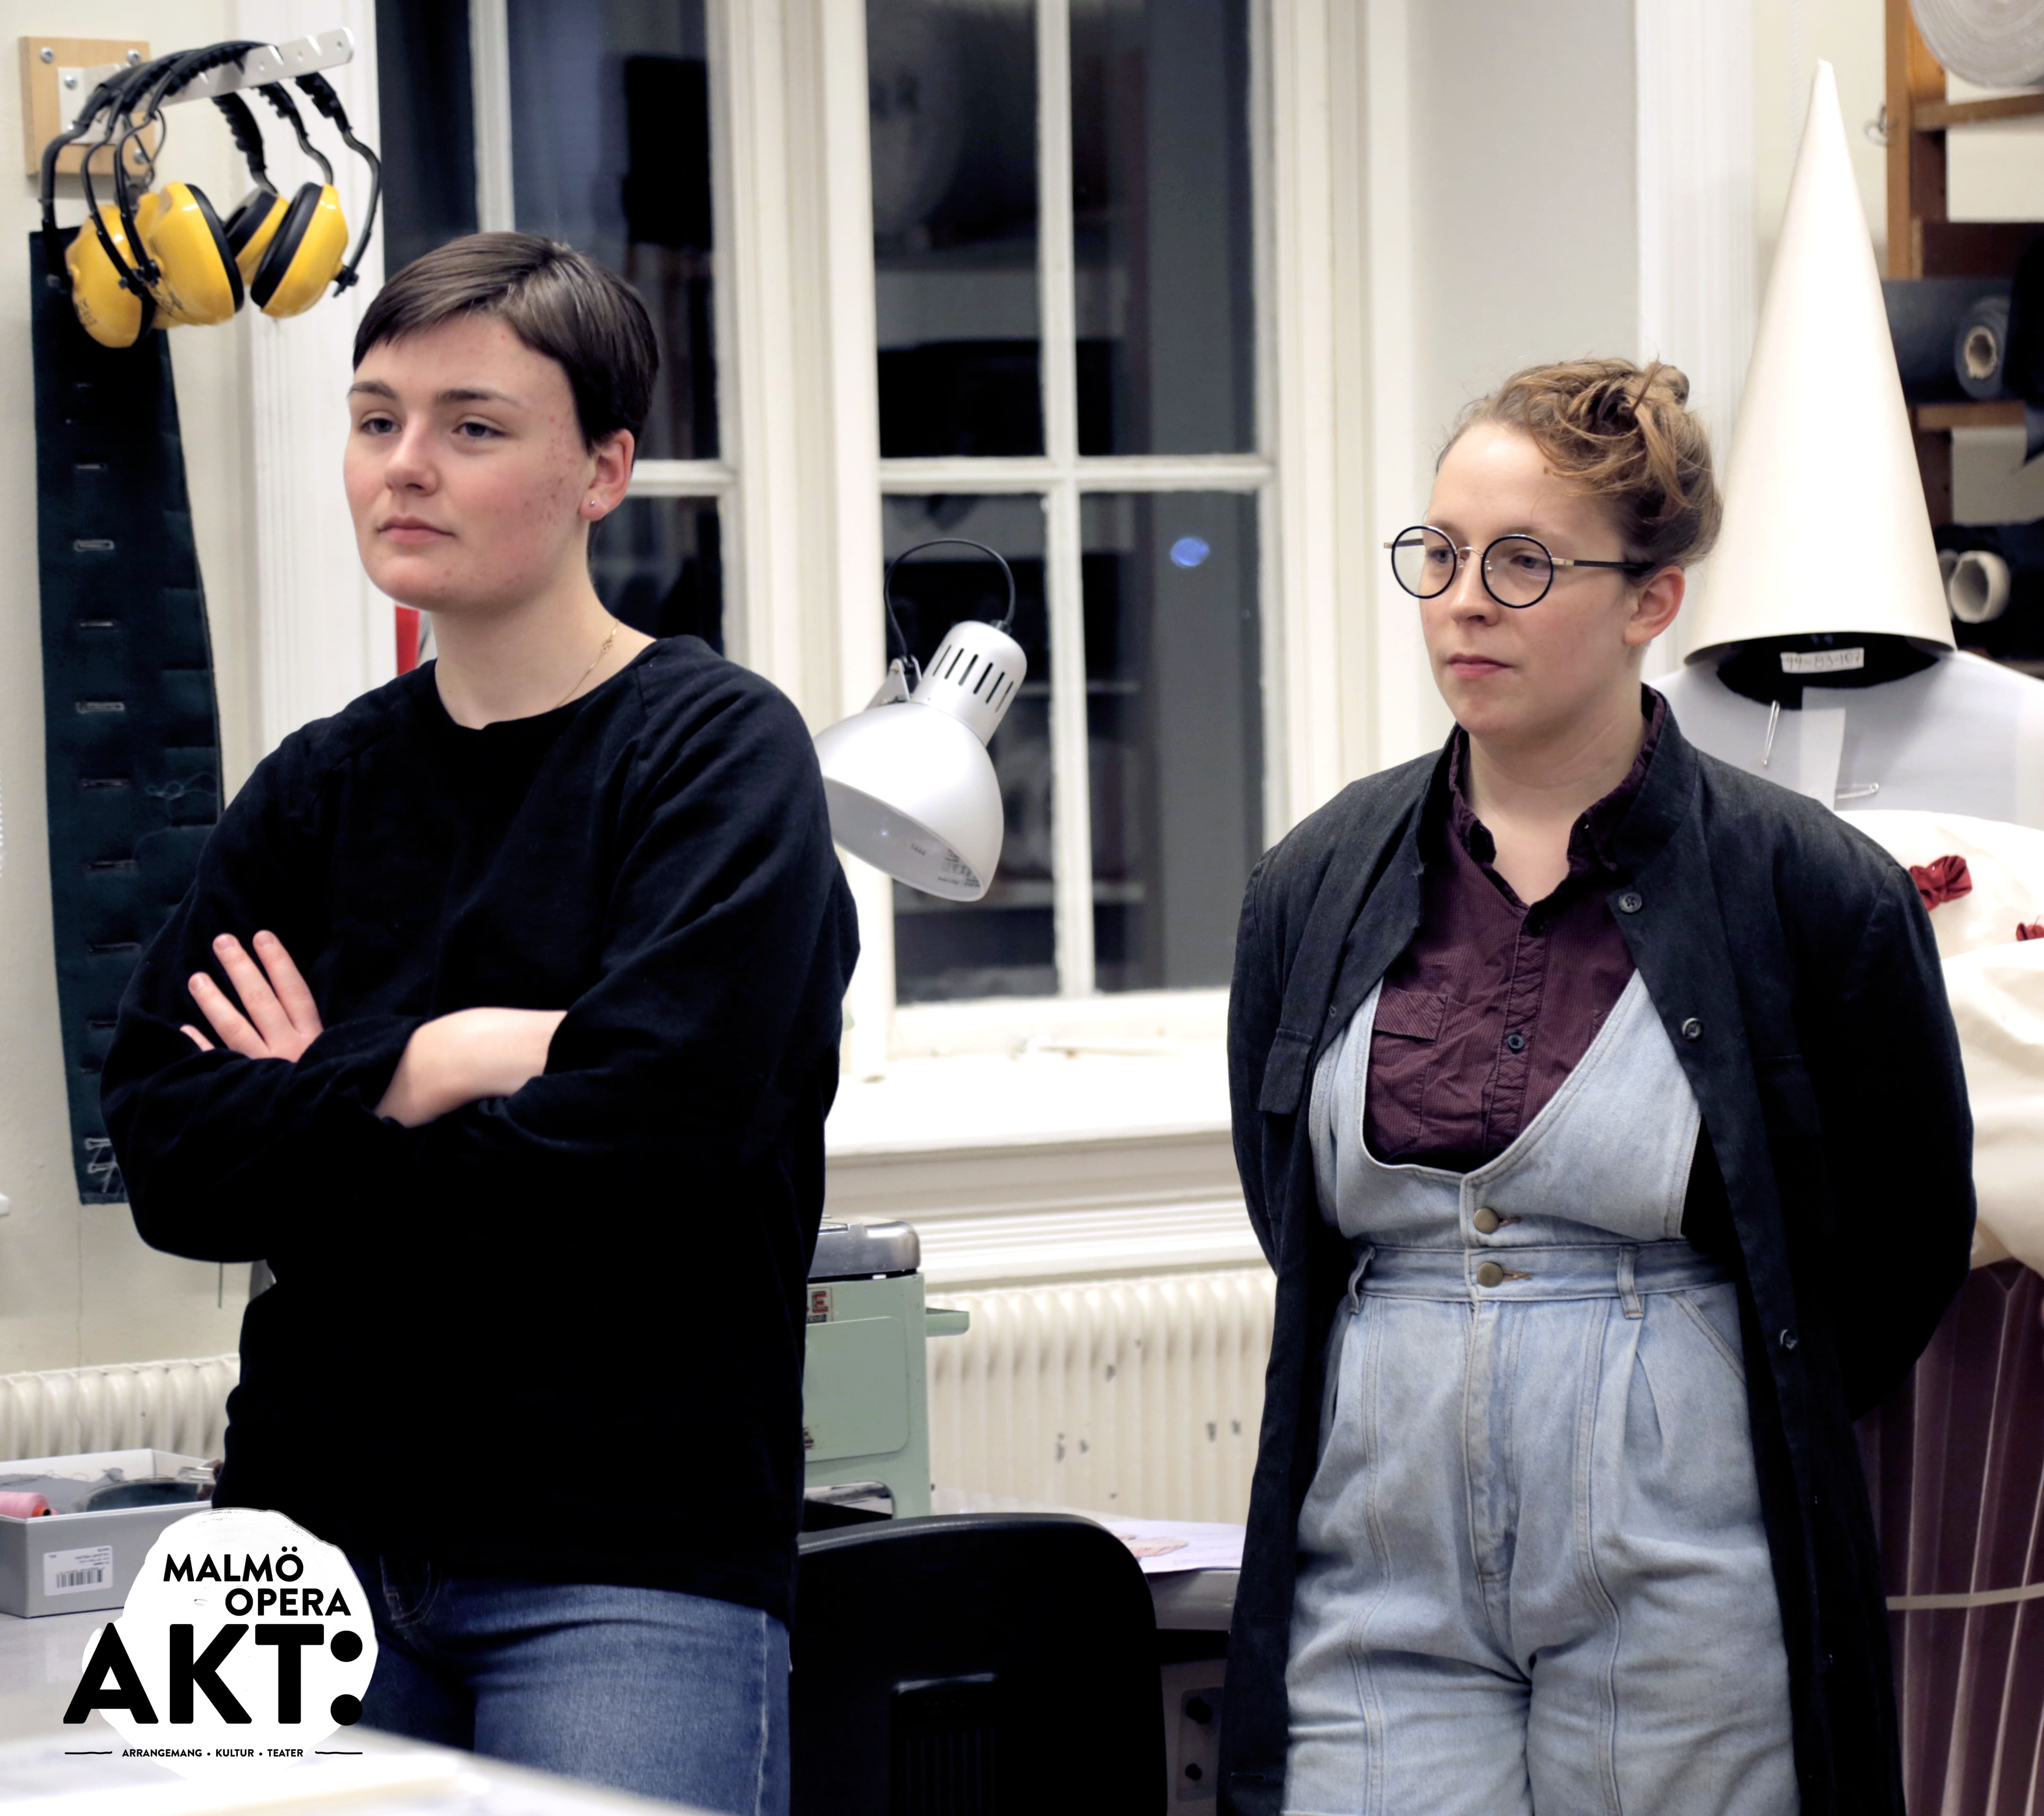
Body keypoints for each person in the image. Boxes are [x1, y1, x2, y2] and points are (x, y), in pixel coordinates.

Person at [100, 232, 857, 1816]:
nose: (407, 466)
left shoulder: (716, 756)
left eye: (473, 426)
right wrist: (435, 1062)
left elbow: (651, 1147)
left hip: (620, 1549)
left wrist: (314, 1099)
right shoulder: (315, 787)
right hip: (285, 1533)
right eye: (377, 421)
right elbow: (169, 1158)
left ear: (603, 471)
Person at [1220, 358, 1974, 1816]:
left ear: (1649, 601)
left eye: (1520, 563)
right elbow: (1285, 1201)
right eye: (1438, 555)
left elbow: (1899, 1244)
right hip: (1374, 1542)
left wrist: (1674, 1392)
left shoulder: (1808, 891)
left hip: (1681, 1555)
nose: (1463, 603)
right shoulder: (1311, 881)